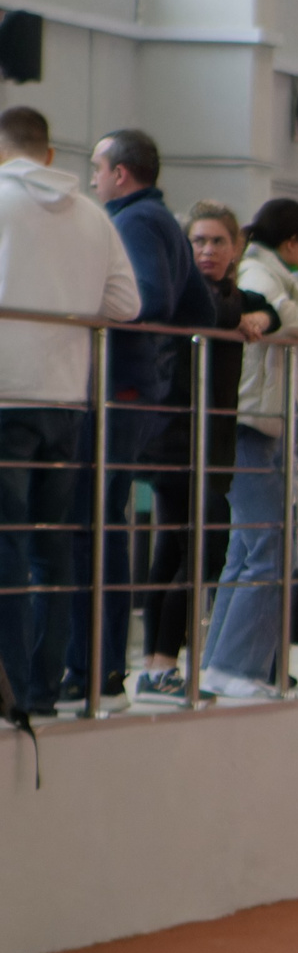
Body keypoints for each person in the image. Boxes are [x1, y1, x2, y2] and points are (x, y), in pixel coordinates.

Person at [0, 105, 139, 718]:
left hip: (5, 392)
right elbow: (126, 304)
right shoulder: (92, 213)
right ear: (50, 154)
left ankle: (5, 688)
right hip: (67, 398)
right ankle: (42, 687)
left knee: (3, 547)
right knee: (50, 550)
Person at [72, 126, 215, 706]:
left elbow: (149, 300)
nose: (93, 178)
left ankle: (100, 670)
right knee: (103, 521)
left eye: (98, 168)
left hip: (123, 389)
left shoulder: (133, 222)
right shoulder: (160, 222)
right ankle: (100, 668)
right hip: (143, 389)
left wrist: (87, 309)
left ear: (120, 174)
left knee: (93, 525)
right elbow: (201, 306)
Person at [199, 197, 298, 701]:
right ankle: (234, 665)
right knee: (267, 548)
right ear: (293, 240)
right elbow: (286, 320)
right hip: (247, 425)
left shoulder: (275, 276)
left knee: (246, 551)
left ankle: (220, 662)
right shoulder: (262, 275)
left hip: (262, 425)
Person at [134, 201, 272, 700]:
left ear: (236, 249)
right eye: (198, 241)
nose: (207, 251)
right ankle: (162, 663)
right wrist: (249, 314)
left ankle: (156, 664)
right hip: (178, 437)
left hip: (208, 439)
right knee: (199, 548)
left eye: (217, 241)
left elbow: (267, 309)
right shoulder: (187, 294)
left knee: (176, 547)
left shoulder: (239, 296)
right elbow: (214, 311)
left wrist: (262, 313)